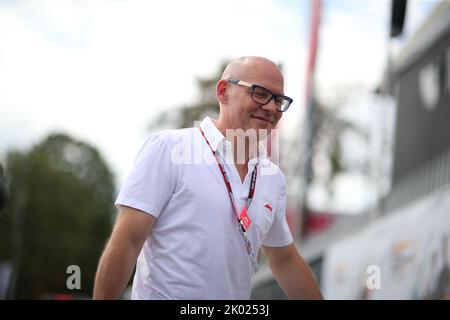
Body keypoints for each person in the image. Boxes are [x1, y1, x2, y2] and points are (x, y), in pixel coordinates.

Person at [93, 56, 323, 300]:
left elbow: (285, 261)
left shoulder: (272, 178)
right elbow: (128, 240)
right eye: (260, 93)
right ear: (223, 91)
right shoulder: (169, 148)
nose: (271, 108)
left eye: (278, 100)